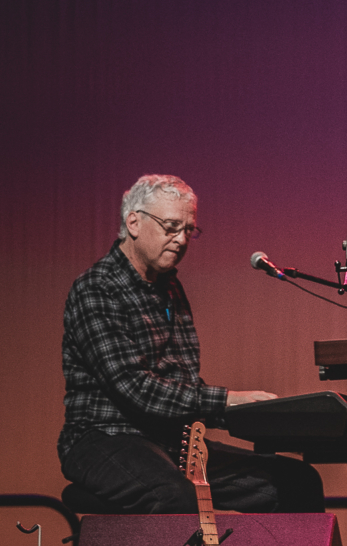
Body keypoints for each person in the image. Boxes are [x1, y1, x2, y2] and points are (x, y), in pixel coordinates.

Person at [59, 174, 323, 513]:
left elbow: (181, 385)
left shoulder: (170, 288)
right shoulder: (96, 288)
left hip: (173, 442)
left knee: (296, 482)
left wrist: (258, 415)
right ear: (134, 222)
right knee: (175, 496)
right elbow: (136, 389)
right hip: (104, 437)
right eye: (171, 227)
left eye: (189, 230)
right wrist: (228, 401)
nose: (182, 240)